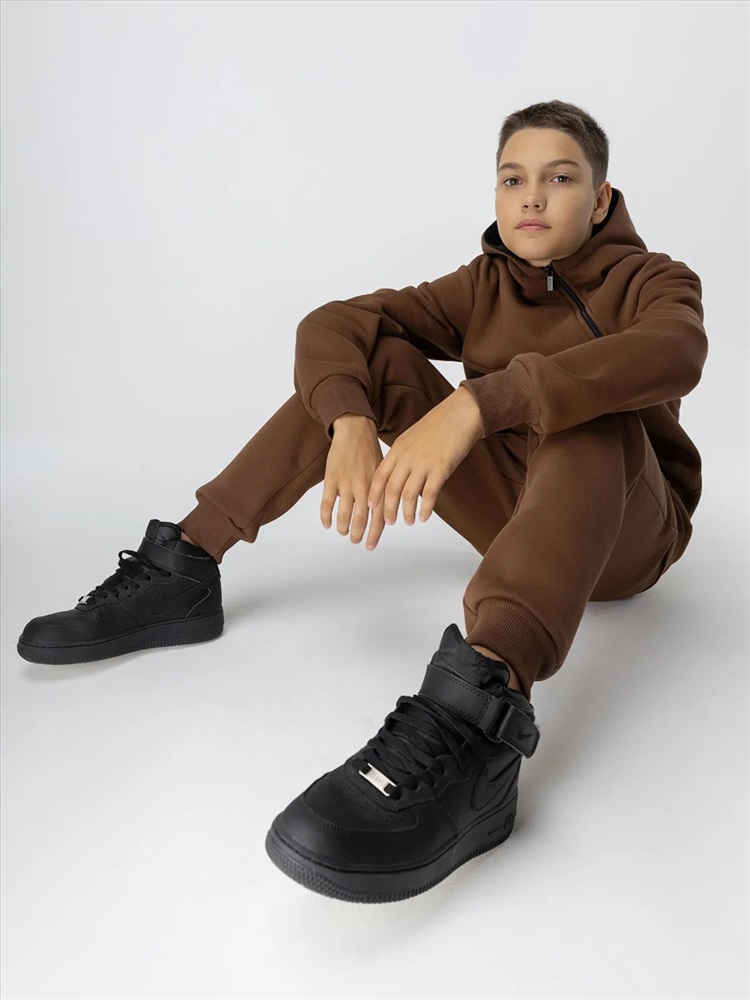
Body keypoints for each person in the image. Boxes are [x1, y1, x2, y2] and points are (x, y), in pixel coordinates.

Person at [16, 99, 708, 903]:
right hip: (521, 514)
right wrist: (349, 420)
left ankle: (479, 712)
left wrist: (479, 403)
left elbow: (675, 349)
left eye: (558, 179)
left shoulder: (655, 280)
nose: (531, 197)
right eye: (511, 179)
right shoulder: (482, 285)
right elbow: (336, 321)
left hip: (625, 535)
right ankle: (189, 564)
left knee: (590, 414)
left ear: (600, 198)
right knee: (367, 365)